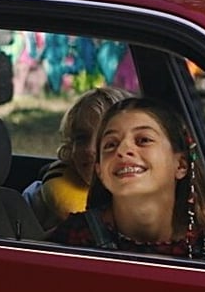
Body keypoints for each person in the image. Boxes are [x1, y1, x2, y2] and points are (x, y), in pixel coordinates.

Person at [47, 95, 205, 263]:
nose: (123, 150)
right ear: (100, 171)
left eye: (143, 140)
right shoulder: (74, 238)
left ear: (181, 165)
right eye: (111, 144)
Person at [23, 87, 133, 231]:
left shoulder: (150, 209)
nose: (90, 149)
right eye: (81, 138)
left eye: (105, 139)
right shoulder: (37, 199)